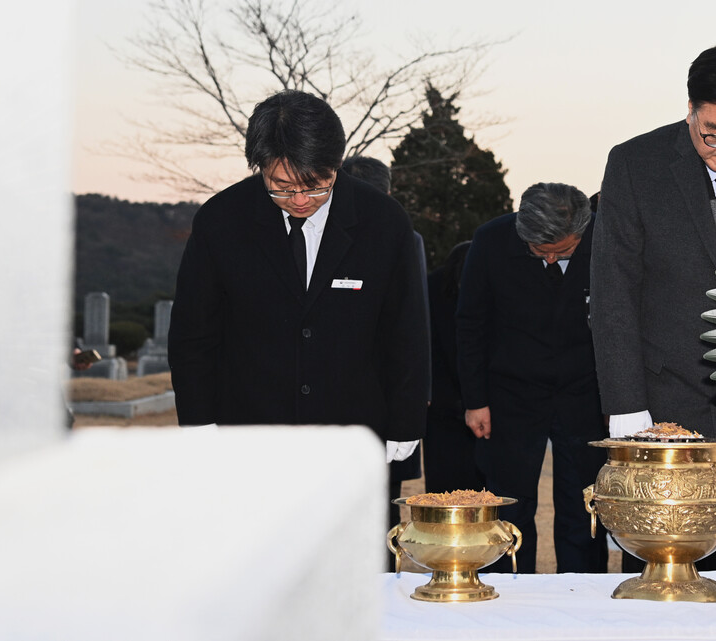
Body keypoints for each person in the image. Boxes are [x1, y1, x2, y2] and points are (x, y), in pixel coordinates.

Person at [592, 39, 716, 572]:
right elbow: (613, 291)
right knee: (669, 570)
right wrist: (626, 408)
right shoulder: (637, 163)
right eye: (714, 136)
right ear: (689, 112)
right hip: (665, 403)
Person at [169, 90, 430, 472]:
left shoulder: (384, 222)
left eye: (316, 185)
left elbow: (406, 329)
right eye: (282, 186)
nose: (300, 199)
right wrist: (197, 420)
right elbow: (194, 332)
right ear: (259, 165)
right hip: (249, 430)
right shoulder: (221, 221)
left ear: (336, 164)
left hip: (354, 431)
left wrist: (406, 422)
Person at [457, 183, 608, 573]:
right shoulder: (491, 240)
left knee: (583, 501)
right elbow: (470, 324)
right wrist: (475, 400)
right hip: (509, 394)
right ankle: (508, 587)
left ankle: (582, 588)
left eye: (564, 250)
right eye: (542, 252)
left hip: (584, 392)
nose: (554, 258)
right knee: (509, 502)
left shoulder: (605, 237)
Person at [339, 154, 432, 536]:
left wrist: (414, 392)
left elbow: (413, 320)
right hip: (349, 388)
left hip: (379, 390)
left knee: (379, 506)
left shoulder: (404, 238)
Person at [422, 241, 486, 493]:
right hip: (479, 407)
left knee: (442, 488)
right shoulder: (480, 291)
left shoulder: (431, 287)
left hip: (439, 407)